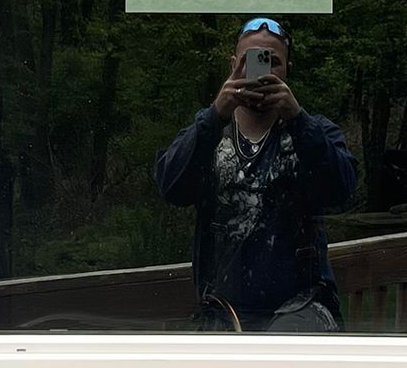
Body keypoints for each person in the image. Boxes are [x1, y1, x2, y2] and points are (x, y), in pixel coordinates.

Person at [153, 17, 358, 330]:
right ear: (233, 65)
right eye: (251, 61)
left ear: (288, 69)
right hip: (223, 311)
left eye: (272, 62)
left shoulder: (315, 131)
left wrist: (298, 119)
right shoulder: (208, 133)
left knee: (283, 360)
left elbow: (341, 192)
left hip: (303, 307)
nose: (261, 71)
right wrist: (215, 114)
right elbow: (171, 188)